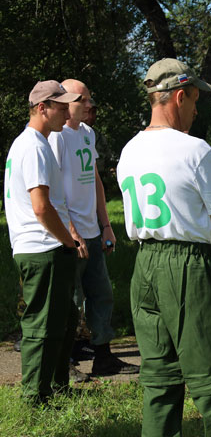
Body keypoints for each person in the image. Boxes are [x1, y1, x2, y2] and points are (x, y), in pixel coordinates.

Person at [116, 58, 211, 436]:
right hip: (186, 267)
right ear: (178, 96)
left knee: (159, 379)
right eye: (193, 101)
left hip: (144, 266)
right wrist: (195, 219)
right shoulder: (194, 150)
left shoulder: (129, 151)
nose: (195, 110)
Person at [49, 79, 139, 377]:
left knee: (101, 294)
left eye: (89, 99)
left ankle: (104, 357)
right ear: (66, 103)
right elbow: (54, 191)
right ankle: (67, 362)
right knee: (70, 300)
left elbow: (96, 180)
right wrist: (71, 232)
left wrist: (106, 225)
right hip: (70, 235)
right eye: (83, 100)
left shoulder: (87, 133)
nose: (90, 105)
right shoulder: (56, 137)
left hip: (93, 230)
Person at [4, 80, 82, 405]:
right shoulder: (34, 146)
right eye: (61, 107)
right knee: (41, 327)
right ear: (42, 108)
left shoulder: (34, 143)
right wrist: (68, 242)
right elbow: (40, 207)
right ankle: (35, 402)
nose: (67, 113)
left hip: (44, 247)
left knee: (62, 321)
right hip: (43, 249)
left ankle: (55, 390)